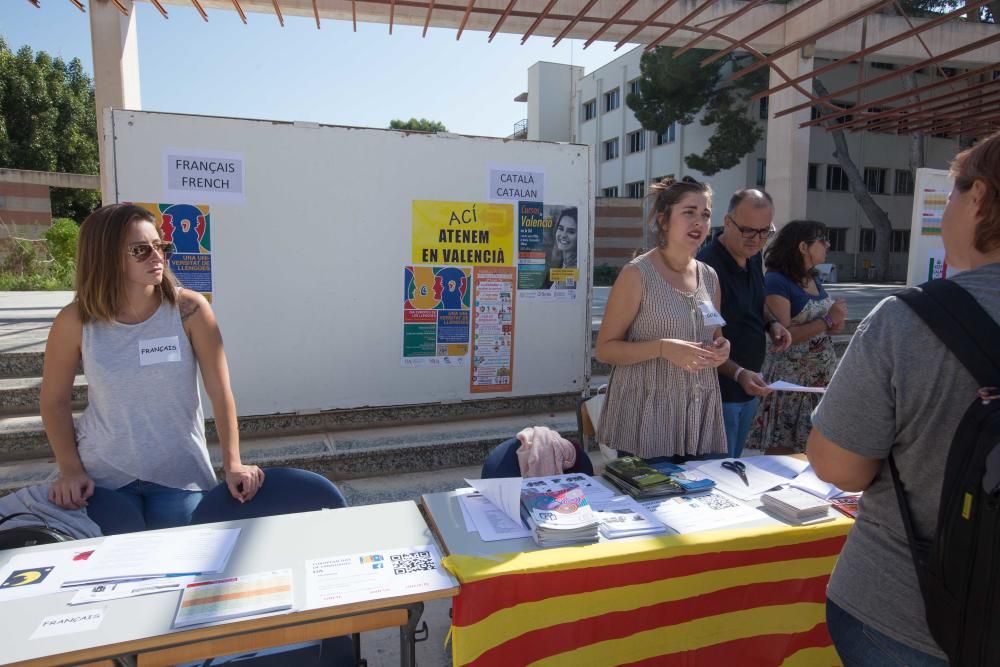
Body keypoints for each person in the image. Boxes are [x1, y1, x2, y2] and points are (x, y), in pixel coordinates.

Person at [807, 134, 1000, 666]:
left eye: (955, 193)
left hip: (907, 615)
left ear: (979, 197)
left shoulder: (908, 322)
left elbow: (837, 465)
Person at [40, 203, 264, 532]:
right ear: (104, 256)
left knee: (183, 569)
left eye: (161, 246)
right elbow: (54, 401)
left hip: (180, 472)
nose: (157, 257)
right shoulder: (75, 321)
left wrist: (232, 462)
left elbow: (219, 390)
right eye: (141, 250)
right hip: (103, 473)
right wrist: (70, 469)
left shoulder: (188, 309)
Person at [595, 177, 730, 460]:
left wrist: (722, 348)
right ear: (664, 220)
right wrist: (662, 348)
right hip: (647, 416)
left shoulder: (709, 276)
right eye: (689, 212)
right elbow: (605, 349)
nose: (699, 222)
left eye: (705, 215)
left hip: (697, 414)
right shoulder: (637, 274)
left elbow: (715, 334)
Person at [697, 189, 792, 458]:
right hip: (718, 393)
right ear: (727, 222)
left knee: (734, 467)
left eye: (765, 232)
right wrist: (738, 373)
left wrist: (772, 324)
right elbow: (704, 340)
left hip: (749, 386)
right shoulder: (706, 267)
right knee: (716, 475)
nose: (757, 240)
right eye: (749, 231)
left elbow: (757, 301)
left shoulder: (753, 257)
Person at [745, 219, 847, 453]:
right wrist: (828, 320)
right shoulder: (777, 281)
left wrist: (833, 324)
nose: (828, 245)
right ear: (803, 247)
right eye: (822, 240)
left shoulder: (813, 278)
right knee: (785, 454)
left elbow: (822, 326)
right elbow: (785, 335)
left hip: (818, 383)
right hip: (791, 386)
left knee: (814, 453)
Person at [542, 207, 578, 289]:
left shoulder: (573, 271)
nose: (563, 235)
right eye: (561, 229)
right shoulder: (563, 265)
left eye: (571, 231)